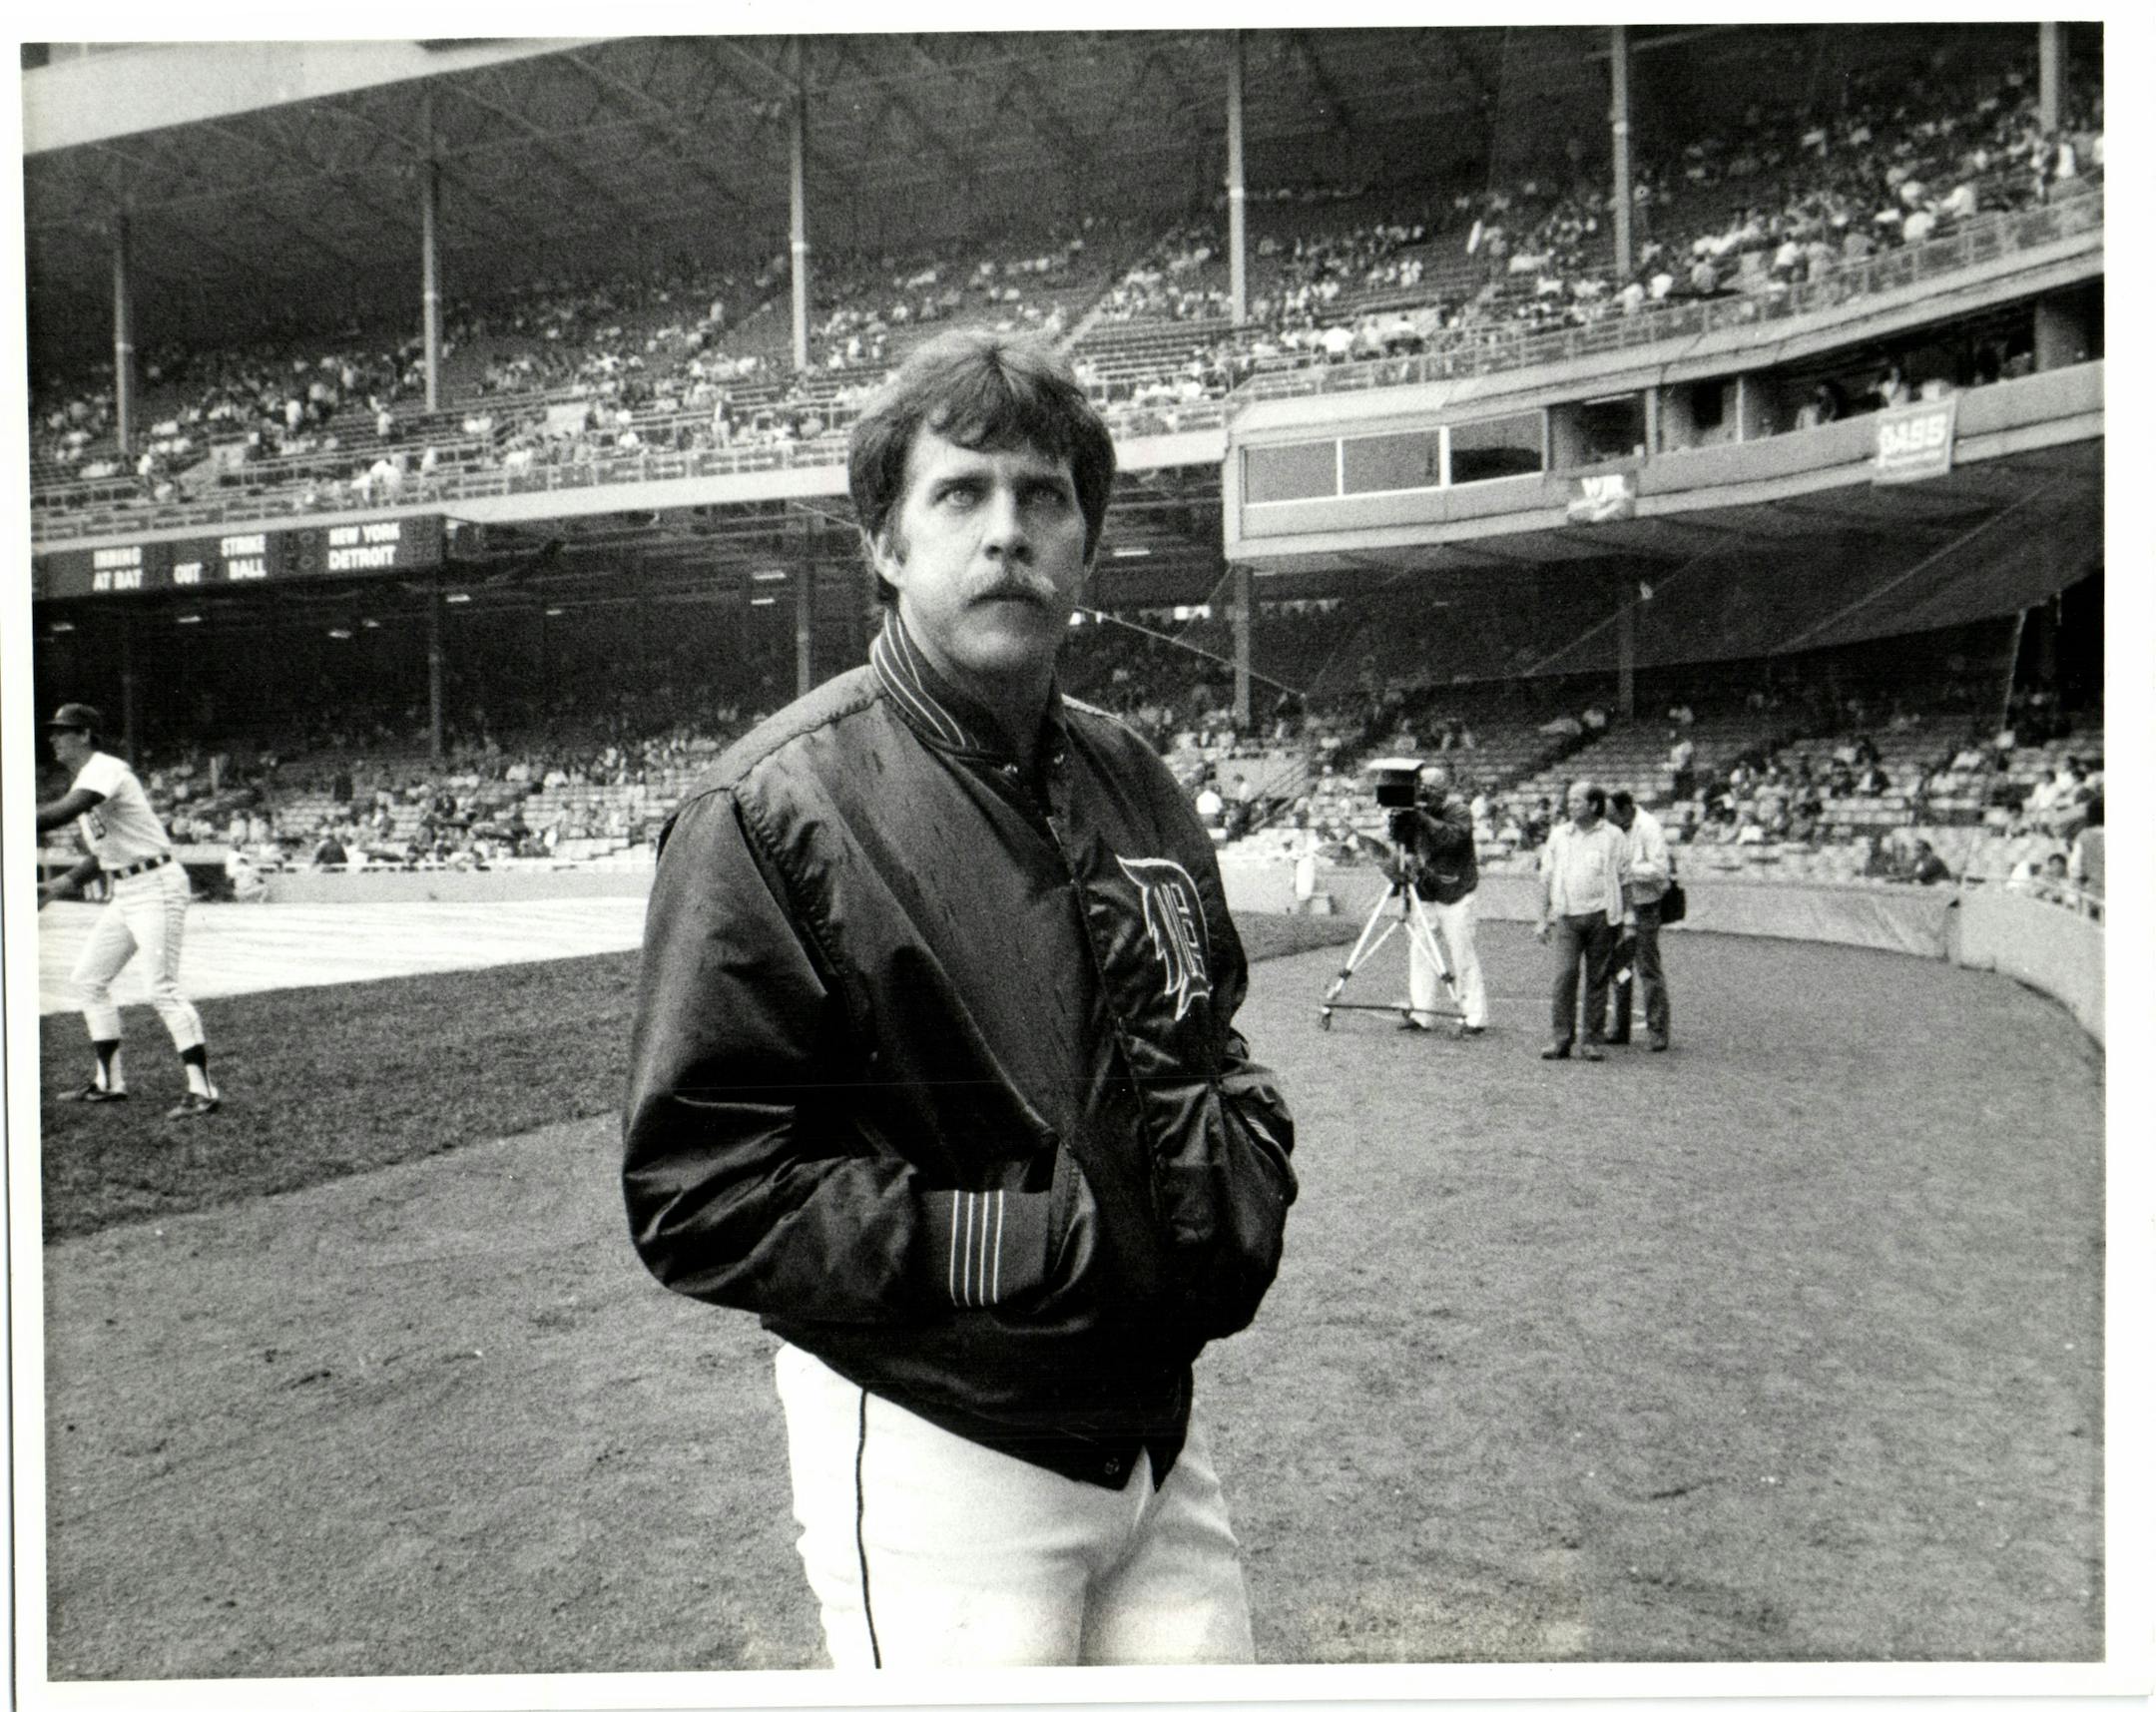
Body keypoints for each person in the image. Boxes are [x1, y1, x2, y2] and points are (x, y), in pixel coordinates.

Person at [622, 330, 1296, 1670]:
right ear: (886, 542)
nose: (1007, 532)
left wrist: (1249, 1159)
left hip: (1156, 1436)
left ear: (1087, 544)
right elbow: (696, 1191)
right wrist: (1010, 1241)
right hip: (940, 1442)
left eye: (1044, 496)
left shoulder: (1135, 775)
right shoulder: (772, 805)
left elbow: (1207, 1031)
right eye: (961, 493)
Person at [34, 705, 223, 1117]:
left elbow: (59, 813)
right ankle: (108, 1083)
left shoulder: (105, 768)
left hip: (157, 883)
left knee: (162, 989)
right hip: (128, 888)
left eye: (62, 731)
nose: (53, 738)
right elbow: (103, 855)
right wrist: (61, 885)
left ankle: (203, 1090)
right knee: (88, 980)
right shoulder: (86, 780)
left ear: (85, 734)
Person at [1389, 761, 1486, 1036]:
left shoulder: (1459, 811)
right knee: (1421, 952)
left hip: (1456, 893)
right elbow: (1403, 846)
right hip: (1425, 892)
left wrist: (1421, 817)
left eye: (1429, 787)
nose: (1423, 792)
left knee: (1462, 955)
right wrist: (1400, 823)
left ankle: (1474, 1017)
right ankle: (1422, 1013)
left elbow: (1451, 838)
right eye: (1420, 786)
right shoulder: (1415, 814)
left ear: (1443, 790)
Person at [1534, 780, 1626, 1062]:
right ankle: (1561, 1039)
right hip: (1566, 917)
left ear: (1593, 805)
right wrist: (1542, 918)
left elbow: (1625, 878)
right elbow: (1546, 877)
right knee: (1565, 976)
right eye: (1570, 800)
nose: (1570, 805)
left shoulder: (1613, 836)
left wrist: (1628, 918)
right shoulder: (1559, 835)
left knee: (1597, 979)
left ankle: (1591, 1041)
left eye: (1576, 800)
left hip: (1602, 917)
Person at [1606, 790, 1673, 1051]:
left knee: (1648, 968)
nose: (1609, 820)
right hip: (1620, 905)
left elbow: (1660, 869)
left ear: (1625, 810)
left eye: (1612, 814)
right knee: (1620, 968)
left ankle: (1658, 1030)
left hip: (1645, 906)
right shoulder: (1615, 829)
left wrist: (1627, 871)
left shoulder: (1649, 827)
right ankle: (1620, 1028)